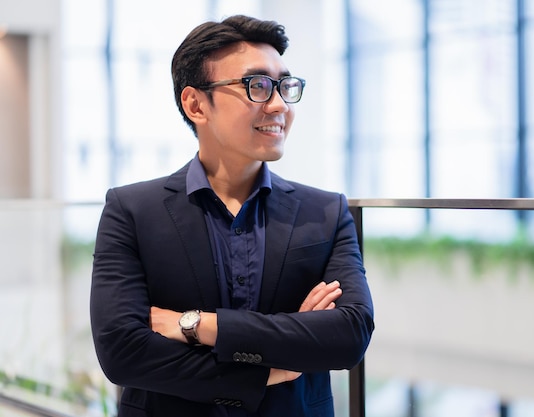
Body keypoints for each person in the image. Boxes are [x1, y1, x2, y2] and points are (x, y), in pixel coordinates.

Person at [90, 14, 374, 417]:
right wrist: (273, 367)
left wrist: (196, 325)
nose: (278, 105)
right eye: (256, 86)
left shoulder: (325, 212)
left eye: (285, 86)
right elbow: (123, 352)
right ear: (195, 104)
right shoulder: (132, 210)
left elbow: (349, 335)